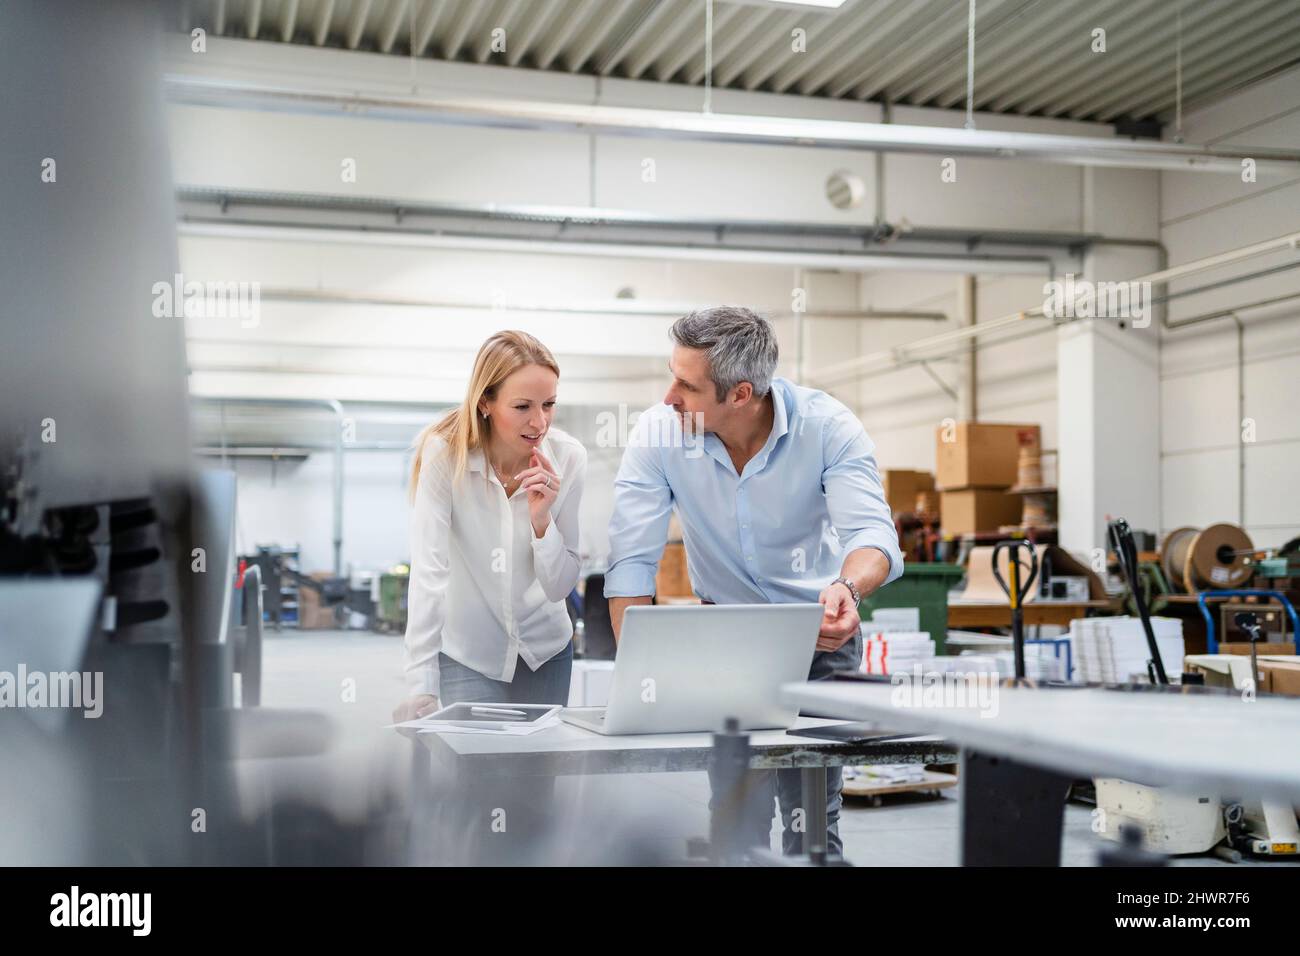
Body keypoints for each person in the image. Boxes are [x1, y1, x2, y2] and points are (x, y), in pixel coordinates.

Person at [603, 306, 903, 858]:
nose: (670, 396)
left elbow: (871, 534)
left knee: (813, 823)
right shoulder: (660, 432)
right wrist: (635, 665)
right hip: (727, 642)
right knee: (735, 818)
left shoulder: (828, 426)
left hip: (820, 635)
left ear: (740, 394)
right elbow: (631, 559)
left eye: (687, 386)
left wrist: (849, 589)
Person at [393, 330, 586, 723]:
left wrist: (541, 520)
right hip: (470, 655)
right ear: (485, 402)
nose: (540, 421)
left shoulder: (568, 459)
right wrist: (422, 685)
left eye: (549, 404)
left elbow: (559, 587)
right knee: (484, 781)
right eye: (522, 406)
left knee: (539, 780)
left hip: (546, 651)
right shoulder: (445, 456)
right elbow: (430, 573)